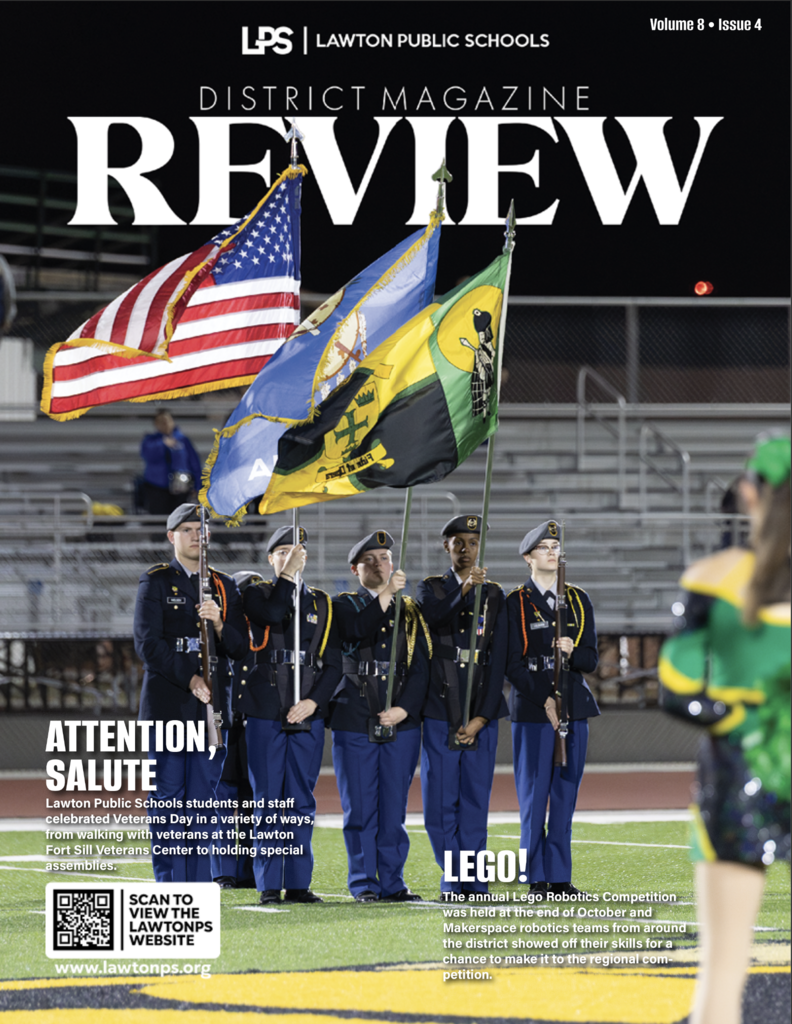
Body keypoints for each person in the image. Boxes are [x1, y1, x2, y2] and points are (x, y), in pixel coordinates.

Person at [658, 436, 791, 1024]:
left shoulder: (715, 577)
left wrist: (737, 718)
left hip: (737, 774)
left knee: (719, 987)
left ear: (748, 494)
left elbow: (675, 687)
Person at [133, 502, 247, 883]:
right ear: (172, 536)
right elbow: (148, 645)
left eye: (201, 530)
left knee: (202, 799)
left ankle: (196, 885)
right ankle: (170, 884)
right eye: (187, 530)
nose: (197, 536)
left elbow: (240, 648)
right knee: (167, 798)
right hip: (169, 705)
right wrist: (191, 679)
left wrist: (219, 623)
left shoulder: (224, 586)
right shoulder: (156, 581)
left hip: (211, 710)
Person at [240, 526, 342, 905]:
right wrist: (286, 577)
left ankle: (298, 882)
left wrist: (314, 703)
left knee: (300, 800)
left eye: (293, 551)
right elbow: (271, 614)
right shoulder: (256, 593)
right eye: (280, 552)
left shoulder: (322, 603)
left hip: (307, 714)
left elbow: (334, 664)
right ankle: (269, 883)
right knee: (268, 799)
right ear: (270, 559)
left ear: (305, 557)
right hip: (266, 710)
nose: (287, 557)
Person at [331, 531, 431, 902]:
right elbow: (358, 631)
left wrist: (405, 708)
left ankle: (392, 882)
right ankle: (363, 883)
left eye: (385, 558)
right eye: (369, 560)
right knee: (359, 807)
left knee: (393, 808)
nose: (379, 565)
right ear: (354, 570)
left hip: (401, 720)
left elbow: (421, 666)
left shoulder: (411, 611)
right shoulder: (342, 604)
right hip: (355, 716)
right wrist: (388, 594)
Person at [505, 520, 599, 898]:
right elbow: (511, 663)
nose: (551, 552)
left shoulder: (577, 600)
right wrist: (544, 698)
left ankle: (560, 877)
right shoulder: (516, 602)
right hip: (533, 709)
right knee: (533, 796)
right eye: (543, 548)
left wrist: (572, 651)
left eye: (555, 547)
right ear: (528, 558)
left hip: (573, 707)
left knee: (565, 795)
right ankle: (535, 877)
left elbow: (591, 659)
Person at [416, 515, 508, 898]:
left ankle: (475, 881)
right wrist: (466, 589)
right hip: (440, 706)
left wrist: (483, 716)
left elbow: (499, 657)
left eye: (473, 543)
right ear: (446, 547)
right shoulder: (431, 588)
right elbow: (435, 617)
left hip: (481, 707)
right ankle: (452, 879)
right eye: (459, 543)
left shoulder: (495, 594)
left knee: (475, 802)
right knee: (440, 803)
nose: (466, 550)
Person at [140, 409, 203, 516]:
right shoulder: (150, 440)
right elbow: (147, 455)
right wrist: (162, 444)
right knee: (159, 517)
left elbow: (194, 462)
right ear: (156, 424)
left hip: (181, 486)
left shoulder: (183, 440)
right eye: (161, 422)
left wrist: (198, 485)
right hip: (157, 486)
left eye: (168, 421)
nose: (165, 424)